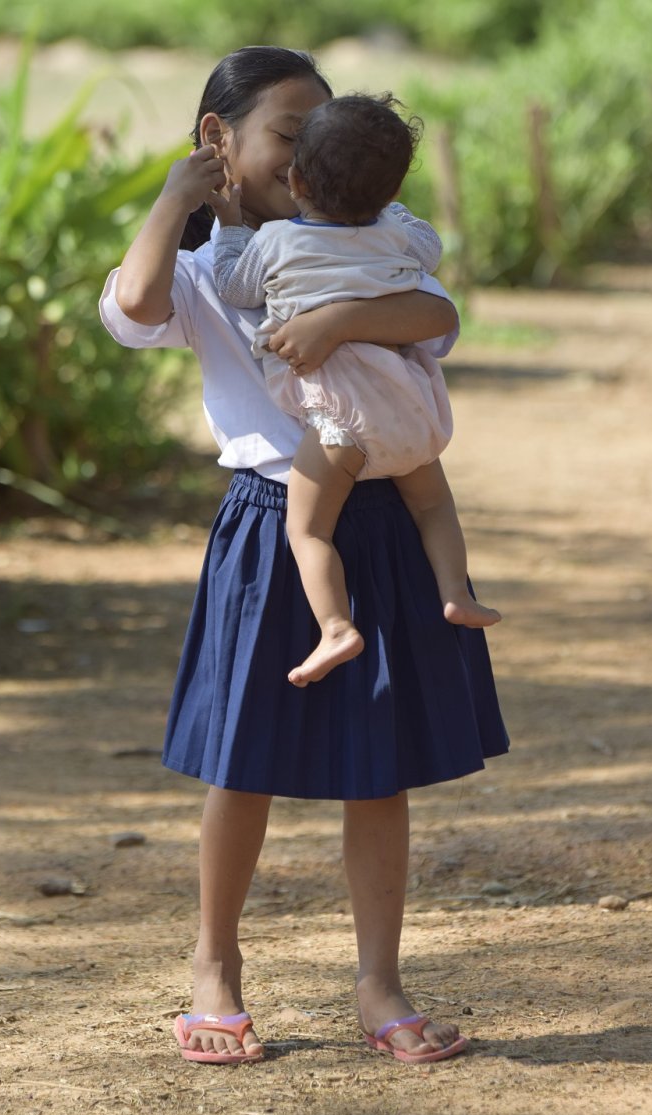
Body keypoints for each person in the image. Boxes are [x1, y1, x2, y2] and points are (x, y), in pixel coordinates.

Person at [100, 46, 508, 1066]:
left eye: (319, 133)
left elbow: (438, 318)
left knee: (381, 769)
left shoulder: (373, 241)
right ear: (218, 139)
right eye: (289, 132)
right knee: (240, 767)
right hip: (269, 523)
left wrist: (337, 322)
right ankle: (215, 969)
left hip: (380, 519)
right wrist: (176, 197)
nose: (307, 153)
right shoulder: (210, 270)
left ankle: (380, 985)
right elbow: (135, 305)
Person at [212, 93, 500, 688]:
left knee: (308, 530)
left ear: (295, 180)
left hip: (337, 423)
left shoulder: (275, 242)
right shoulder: (397, 233)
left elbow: (236, 289)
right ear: (392, 192)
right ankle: (455, 592)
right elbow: (430, 249)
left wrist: (230, 226)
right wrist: (391, 209)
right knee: (434, 506)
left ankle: (336, 626)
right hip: (408, 409)